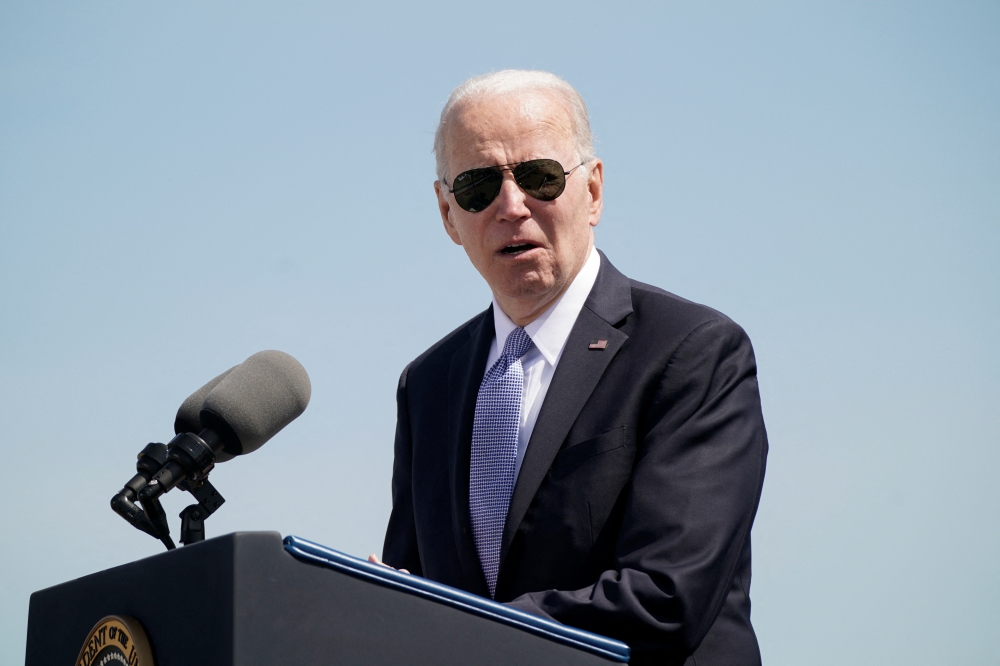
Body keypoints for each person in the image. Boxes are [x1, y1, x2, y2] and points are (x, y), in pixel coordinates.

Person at [375, 70, 768, 665]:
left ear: (594, 192)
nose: (511, 206)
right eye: (479, 187)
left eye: (539, 177)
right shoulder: (428, 384)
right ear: (447, 213)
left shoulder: (692, 352)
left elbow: (667, 598)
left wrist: (463, 631)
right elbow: (414, 592)